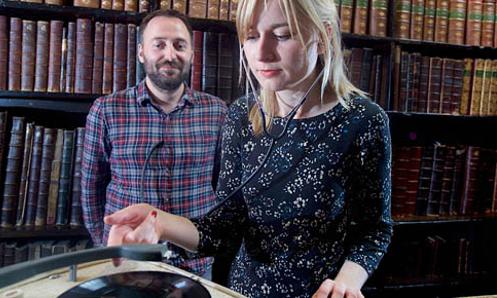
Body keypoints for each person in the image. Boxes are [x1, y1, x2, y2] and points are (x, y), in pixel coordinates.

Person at [104, 0, 393, 297]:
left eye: (282, 35)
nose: (262, 54)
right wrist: (157, 222)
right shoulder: (242, 115)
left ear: (323, 36)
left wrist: (345, 283)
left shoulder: (364, 121)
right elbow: (223, 229)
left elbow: (374, 232)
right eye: (252, 36)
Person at [80, 9, 228, 278]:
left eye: (179, 45)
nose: (169, 55)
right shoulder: (106, 110)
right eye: (158, 44)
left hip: (195, 264)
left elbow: (223, 185)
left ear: (192, 55)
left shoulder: (217, 112)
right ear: (141, 52)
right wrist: (107, 248)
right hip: (128, 262)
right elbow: (91, 189)